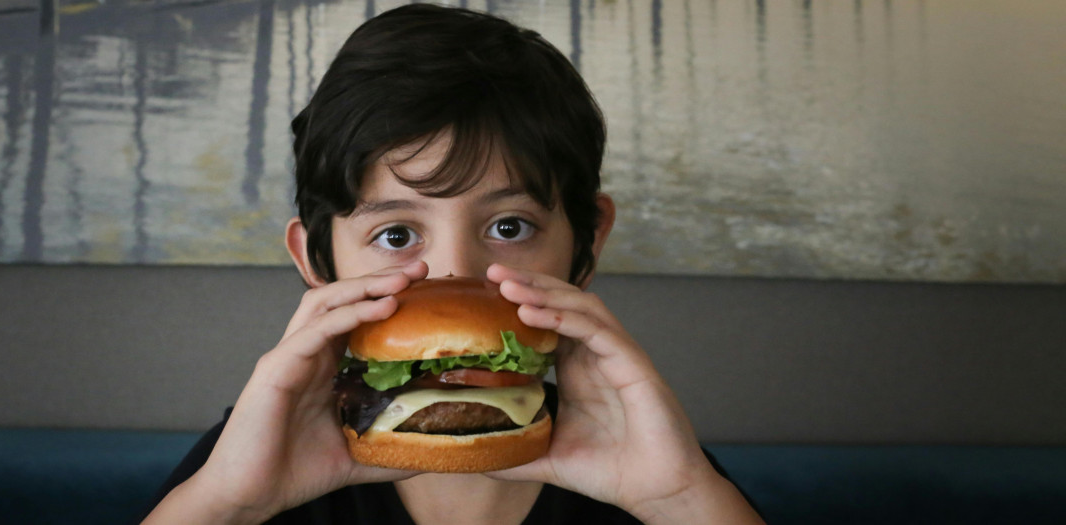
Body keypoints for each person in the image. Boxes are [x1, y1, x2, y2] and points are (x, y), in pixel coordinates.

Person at [142, 4, 764, 524]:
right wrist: (226, 507)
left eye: (509, 227)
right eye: (395, 234)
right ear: (317, 258)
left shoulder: (655, 462)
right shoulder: (253, 456)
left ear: (586, 244)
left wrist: (681, 502)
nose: (454, 274)